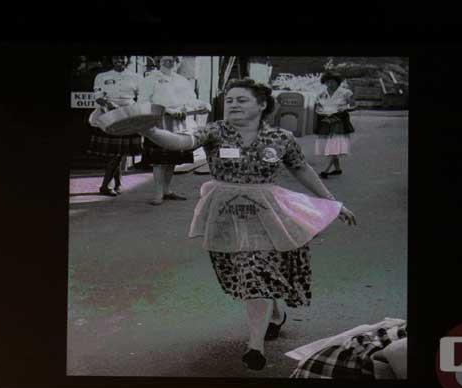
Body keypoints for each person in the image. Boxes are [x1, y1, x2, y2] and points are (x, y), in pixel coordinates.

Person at [140, 78, 356, 370]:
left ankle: (255, 346)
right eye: (229, 100)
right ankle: (275, 314)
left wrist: (333, 202)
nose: (233, 105)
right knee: (246, 272)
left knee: (256, 270)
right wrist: (147, 129)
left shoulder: (281, 137)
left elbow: (301, 169)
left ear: (262, 104)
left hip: (269, 212)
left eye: (241, 100)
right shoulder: (216, 130)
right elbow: (182, 142)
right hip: (225, 213)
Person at [138, 56, 212, 205]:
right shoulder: (150, 79)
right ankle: (158, 193)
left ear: (177, 62)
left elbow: (191, 100)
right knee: (159, 160)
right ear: (159, 61)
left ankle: (167, 190)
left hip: (180, 122)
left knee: (171, 159)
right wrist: (166, 110)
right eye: (165, 59)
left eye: (173, 59)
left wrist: (203, 104)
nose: (169, 62)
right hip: (158, 121)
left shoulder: (182, 80)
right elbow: (143, 101)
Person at [87, 56, 144, 196]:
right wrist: (109, 104)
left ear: (127, 60)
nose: (119, 60)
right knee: (117, 152)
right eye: (116, 58)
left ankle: (115, 184)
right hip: (108, 115)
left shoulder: (136, 77)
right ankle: (106, 186)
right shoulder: (102, 76)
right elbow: (98, 96)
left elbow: (142, 97)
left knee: (119, 152)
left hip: (128, 115)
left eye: (122, 58)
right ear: (112, 60)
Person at [314, 71, 357, 178]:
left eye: (332, 81)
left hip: (339, 121)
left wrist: (345, 108)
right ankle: (337, 169)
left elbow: (354, 105)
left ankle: (326, 170)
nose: (330, 84)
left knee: (334, 145)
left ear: (337, 82)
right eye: (327, 82)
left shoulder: (346, 93)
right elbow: (317, 108)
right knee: (329, 145)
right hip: (326, 121)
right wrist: (320, 111)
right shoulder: (322, 94)